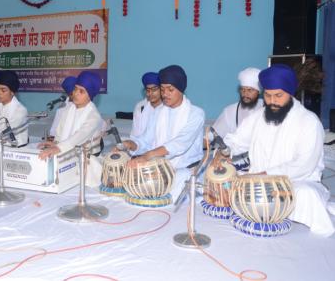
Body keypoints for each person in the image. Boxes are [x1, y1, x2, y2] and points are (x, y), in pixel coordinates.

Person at [223, 64, 334, 237]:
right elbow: (237, 139)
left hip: (294, 183)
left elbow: (303, 165)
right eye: (267, 95)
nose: (272, 101)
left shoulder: (309, 122)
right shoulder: (259, 115)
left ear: (290, 93)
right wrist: (224, 152)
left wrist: (266, 175)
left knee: (306, 195)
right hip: (257, 181)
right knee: (227, 182)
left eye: (278, 95)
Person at [121, 65, 205, 200]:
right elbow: (146, 140)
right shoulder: (159, 112)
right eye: (162, 89)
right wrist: (130, 144)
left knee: (168, 204)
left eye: (170, 89)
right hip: (160, 170)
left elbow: (179, 144)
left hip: (186, 173)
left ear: (181, 89)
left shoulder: (196, 114)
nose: (165, 94)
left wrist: (148, 156)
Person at [212, 67, 263, 171]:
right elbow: (215, 137)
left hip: (262, 166)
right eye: (243, 89)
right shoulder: (230, 111)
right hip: (235, 166)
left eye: (250, 90)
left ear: (259, 92)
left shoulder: (266, 109)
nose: (245, 94)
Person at [0, 70, 28, 147]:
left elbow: (6, 137)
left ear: (12, 92)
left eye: (3, 90)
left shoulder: (20, 110)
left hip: (16, 152)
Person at [130, 72, 163, 139]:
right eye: (148, 90)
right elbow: (135, 133)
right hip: (140, 146)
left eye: (154, 89)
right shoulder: (140, 106)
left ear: (162, 89)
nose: (150, 93)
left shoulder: (168, 107)